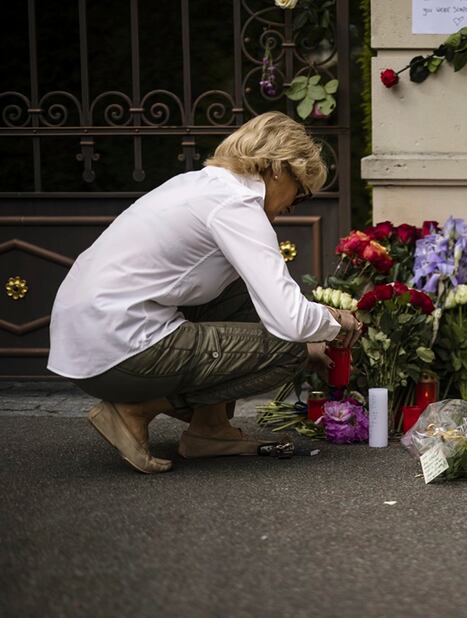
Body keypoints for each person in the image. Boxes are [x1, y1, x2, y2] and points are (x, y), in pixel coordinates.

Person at [47, 112, 360, 474]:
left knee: (244, 294)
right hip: (116, 348)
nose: (293, 204)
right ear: (278, 169)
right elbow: (290, 321)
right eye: (300, 192)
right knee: (288, 350)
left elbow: (267, 304)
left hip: (89, 336)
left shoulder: (198, 184)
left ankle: (210, 429)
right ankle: (135, 411)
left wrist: (312, 331)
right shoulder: (237, 205)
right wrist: (334, 322)